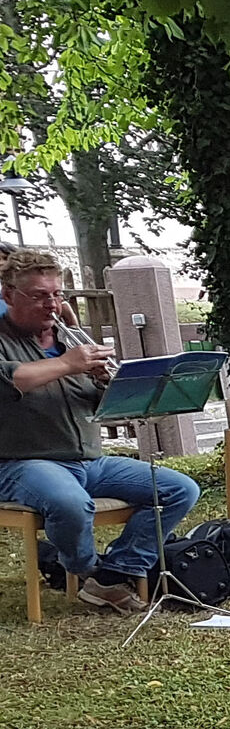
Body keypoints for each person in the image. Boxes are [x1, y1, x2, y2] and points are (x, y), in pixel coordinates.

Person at [0, 250, 197, 613]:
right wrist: (66, 364)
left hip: (89, 461)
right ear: (9, 295)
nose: (52, 304)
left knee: (179, 488)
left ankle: (115, 572)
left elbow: (98, 406)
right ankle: (85, 570)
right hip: (24, 462)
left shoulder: (68, 338)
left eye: (57, 295)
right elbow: (13, 379)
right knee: (70, 504)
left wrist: (109, 385)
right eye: (40, 296)